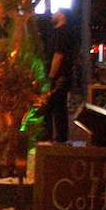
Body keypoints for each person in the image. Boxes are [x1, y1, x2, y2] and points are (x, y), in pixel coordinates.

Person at [41, 10, 74, 143]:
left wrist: (51, 76)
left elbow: (58, 56)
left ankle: (49, 137)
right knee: (59, 107)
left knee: (50, 106)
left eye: (56, 12)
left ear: (62, 16)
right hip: (63, 76)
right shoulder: (63, 32)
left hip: (59, 77)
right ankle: (61, 138)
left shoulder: (62, 33)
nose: (52, 14)